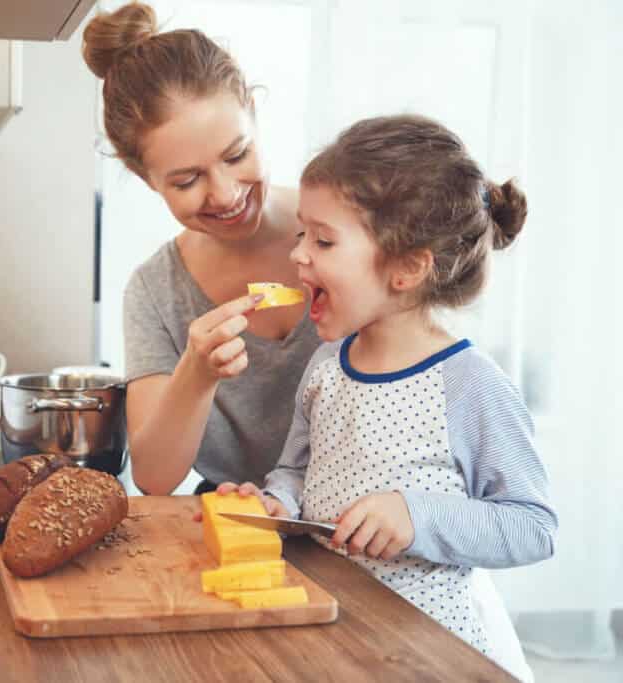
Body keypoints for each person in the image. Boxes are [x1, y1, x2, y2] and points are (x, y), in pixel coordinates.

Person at [220, 114, 557, 680]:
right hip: (342, 643)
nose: (299, 255)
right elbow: (298, 472)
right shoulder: (327, 365)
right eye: (304, 234)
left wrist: (418, 516)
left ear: (407, 267)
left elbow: (532, 526)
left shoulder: (470, 385)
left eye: (324, 240)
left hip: (432, 658)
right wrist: (275, 503)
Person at [81, 2, 320, 496]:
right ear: (145, 178)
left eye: (237, 154)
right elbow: (154, 477)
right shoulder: (155, 292)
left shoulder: (350, 233)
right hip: (236, 529)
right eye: (187, 180)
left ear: (253, 114)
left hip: (370, 534)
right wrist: (197, 371)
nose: (226, 194)